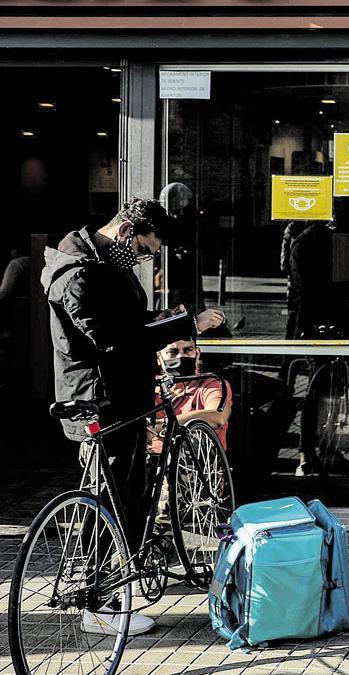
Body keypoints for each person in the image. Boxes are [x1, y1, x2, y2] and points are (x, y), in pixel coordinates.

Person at [41, 198, 225, 637]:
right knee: (111, 496)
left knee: (123, 491)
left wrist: (174, 318)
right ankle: (98, 602)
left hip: (120, 395)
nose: (145, 259)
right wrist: (186, 326)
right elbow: (112, 340)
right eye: (145, 249)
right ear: (127, 232)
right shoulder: (79, 274)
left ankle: (112, 586)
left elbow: (127, 322)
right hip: (101, 400)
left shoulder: (100, 262)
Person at [149, 337, 232, 455]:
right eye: (173, 352)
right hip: (150, 459)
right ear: (159, 357)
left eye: (188, 350)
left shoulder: (211, 384)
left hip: (193, 463)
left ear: (197, 353)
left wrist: (160, 426)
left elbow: (218, 417)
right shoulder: (151, 389)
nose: (180, 357)